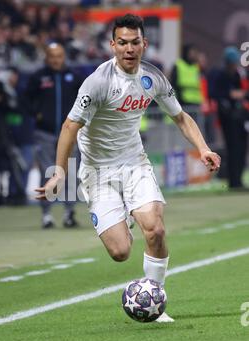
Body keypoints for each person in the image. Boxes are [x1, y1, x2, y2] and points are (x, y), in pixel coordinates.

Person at [35, 14, 221, 322]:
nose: (129, 48)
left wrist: (203, 148)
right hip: (98, 173)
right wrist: (60, 171)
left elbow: (181, 117)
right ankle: (123, 217)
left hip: (135, 164)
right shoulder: (97, 82)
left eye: (135, 42)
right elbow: (70, 126)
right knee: (120, 252)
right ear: (112, 45)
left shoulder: (153, 78)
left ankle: (155, 301)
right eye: (122, 43)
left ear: (144, 44)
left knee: (157, 230)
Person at [27, 42, 83, 228]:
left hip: (69, 133)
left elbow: (84, 102)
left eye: (59, 56)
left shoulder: (74, 78)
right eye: (52, 56)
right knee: (48, 171)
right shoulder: (38, 78)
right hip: (45, 132)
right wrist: (37, 114)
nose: (56, 60)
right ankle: (47, 215)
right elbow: (26, 100)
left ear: (64, 57)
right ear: (46, 57)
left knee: (71, 172)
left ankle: (69, 213)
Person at [209, 46, 248, 190]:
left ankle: (239, 180)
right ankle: (233, 182)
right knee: (232, 148)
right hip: (227, 117)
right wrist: (232, 94)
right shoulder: (219, 74)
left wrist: (238, 94)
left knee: (241, 148)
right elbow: (216, 93)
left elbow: (241, 93)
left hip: (239, 117)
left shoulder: (237, 75)